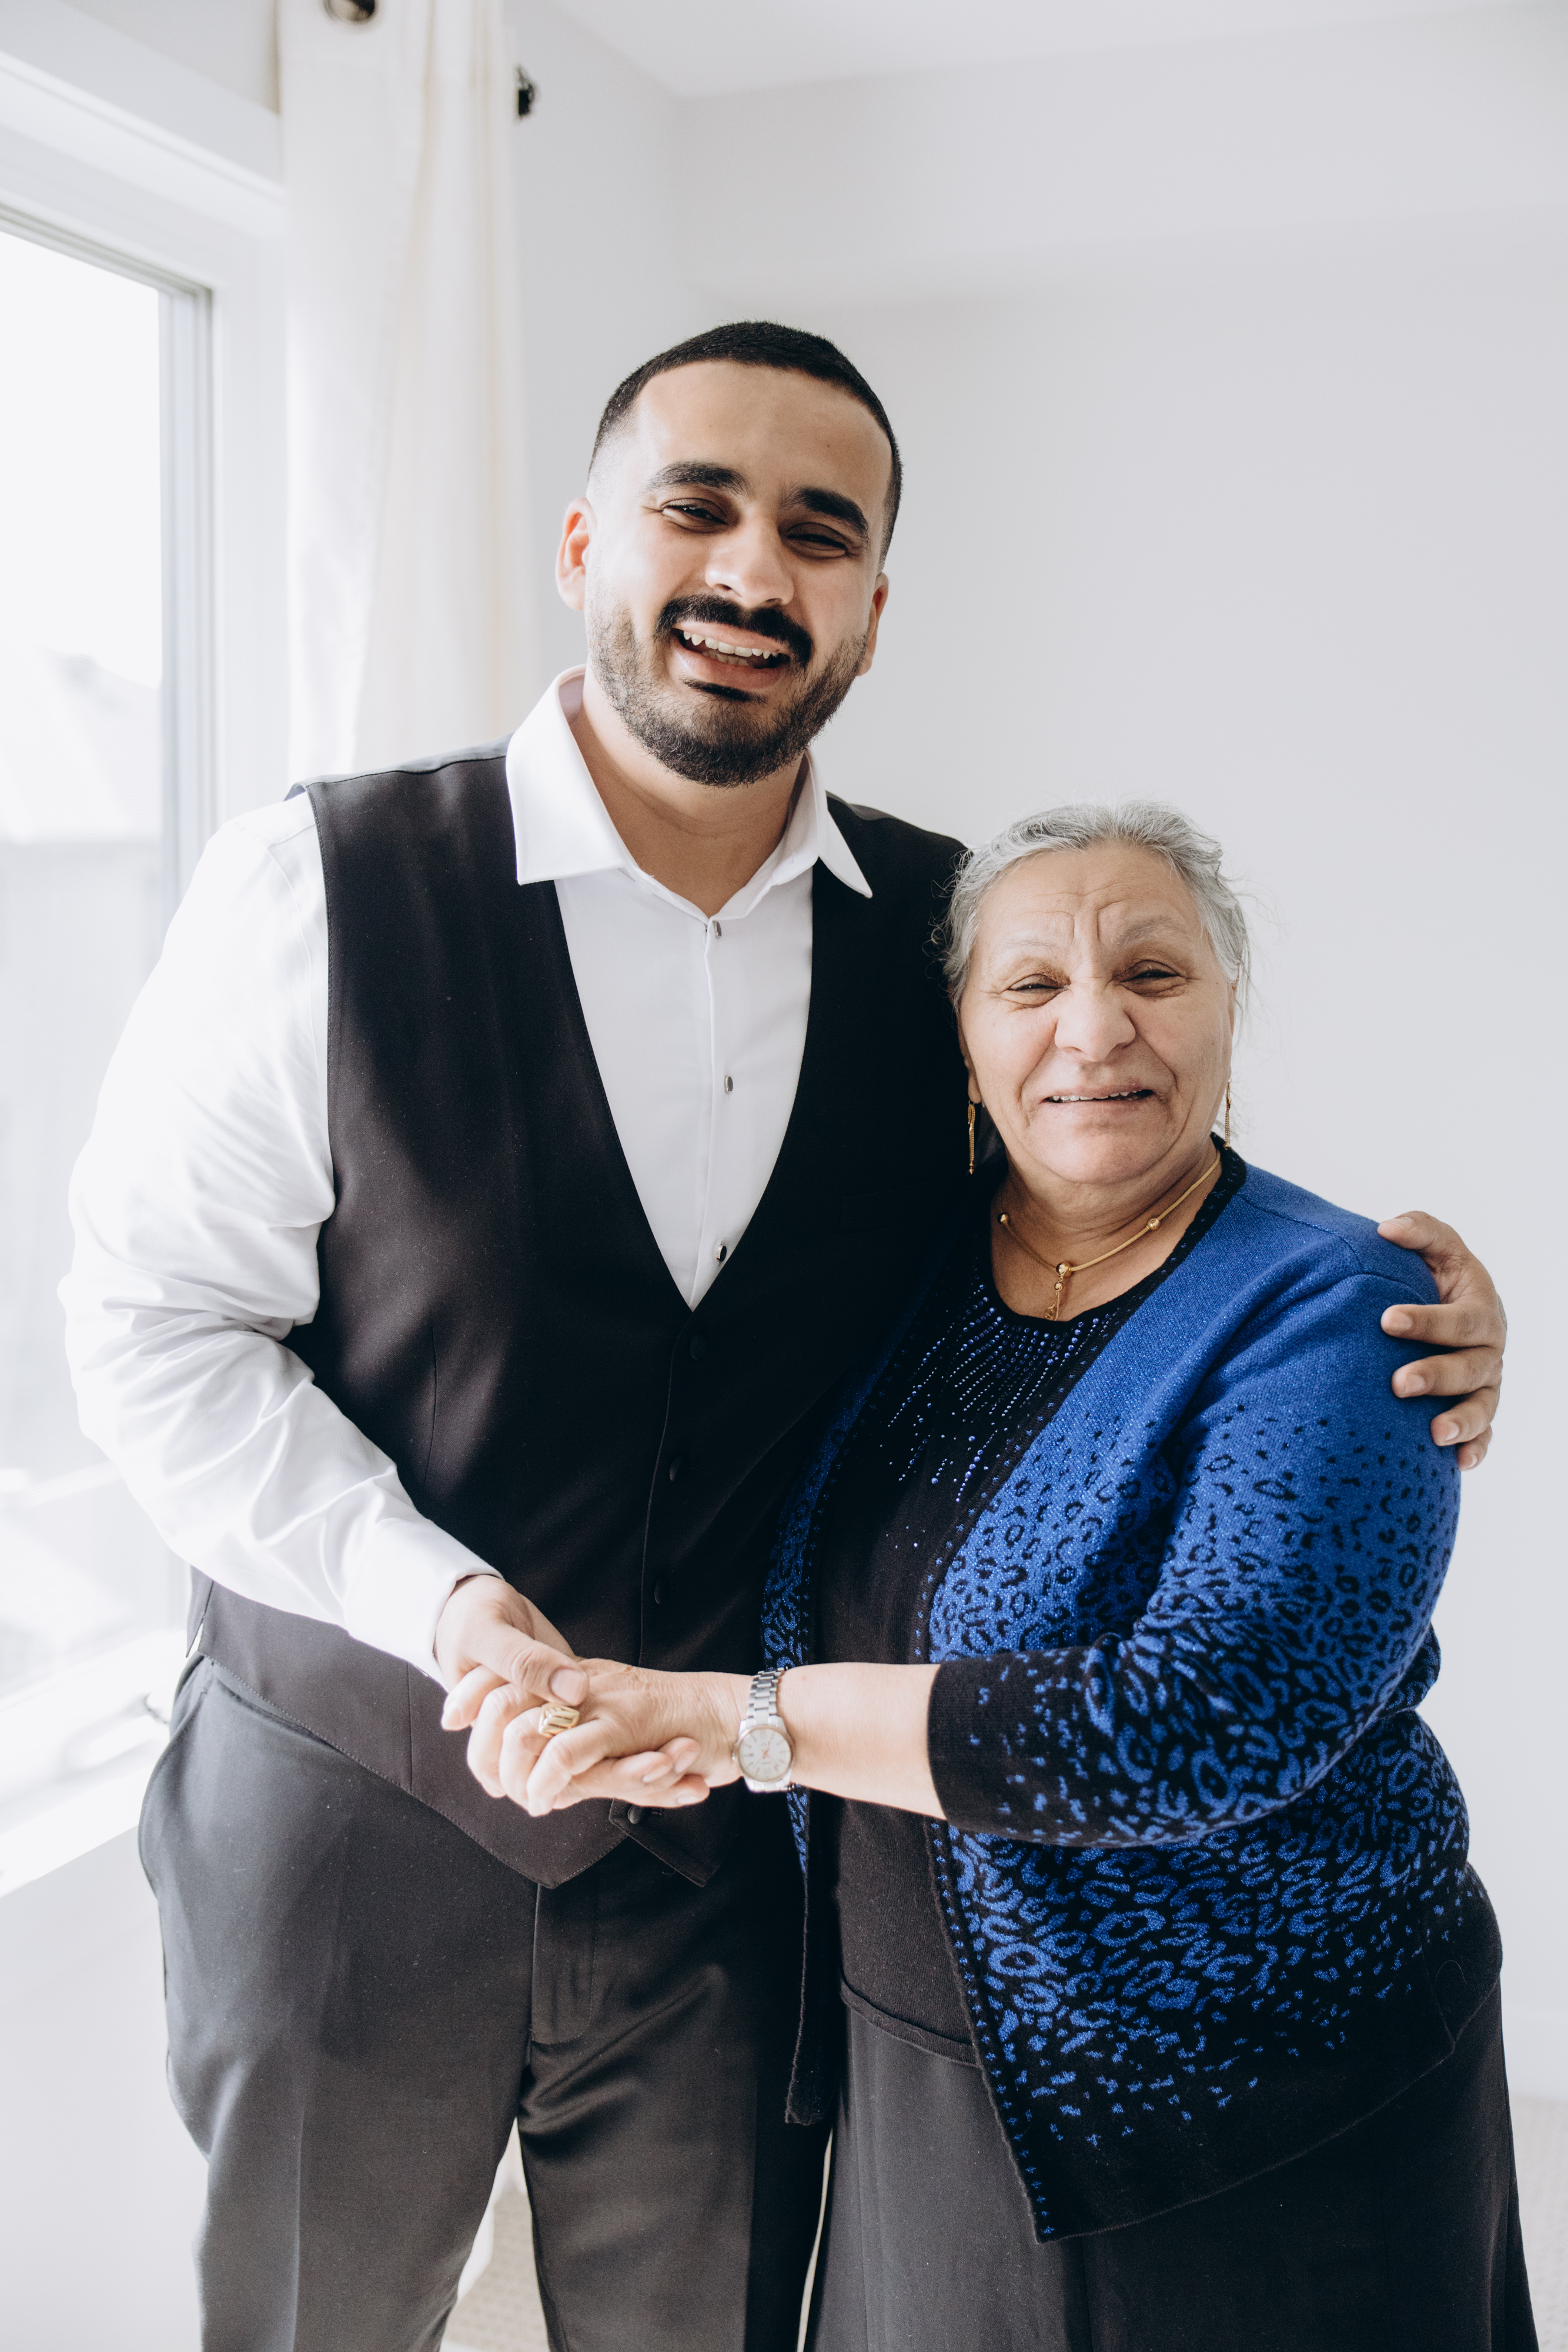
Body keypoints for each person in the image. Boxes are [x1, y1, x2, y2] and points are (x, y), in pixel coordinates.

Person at [61, 323, 1506, 2352]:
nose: (753, 569)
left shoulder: (939, 935)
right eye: (697, 506)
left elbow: (1096, 1204)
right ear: (585, 542)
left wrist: (1386, 1298)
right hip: (348, 1822)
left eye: (818, 533)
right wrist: (437, 1602)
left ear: (872, 609)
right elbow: (155, 1332)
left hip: (736, 1881)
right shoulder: (318, 881)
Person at [509, 803, 1534, 2352]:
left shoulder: (1343, 1311)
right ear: (966, 1035)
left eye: (1152, 974)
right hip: (916, 2071)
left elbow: (1210, 1718)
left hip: (1246, 2102)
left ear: (1229, 1004)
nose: (1094, 1029)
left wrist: (742, 1722)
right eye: (1032, 985)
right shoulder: (896, 1260)